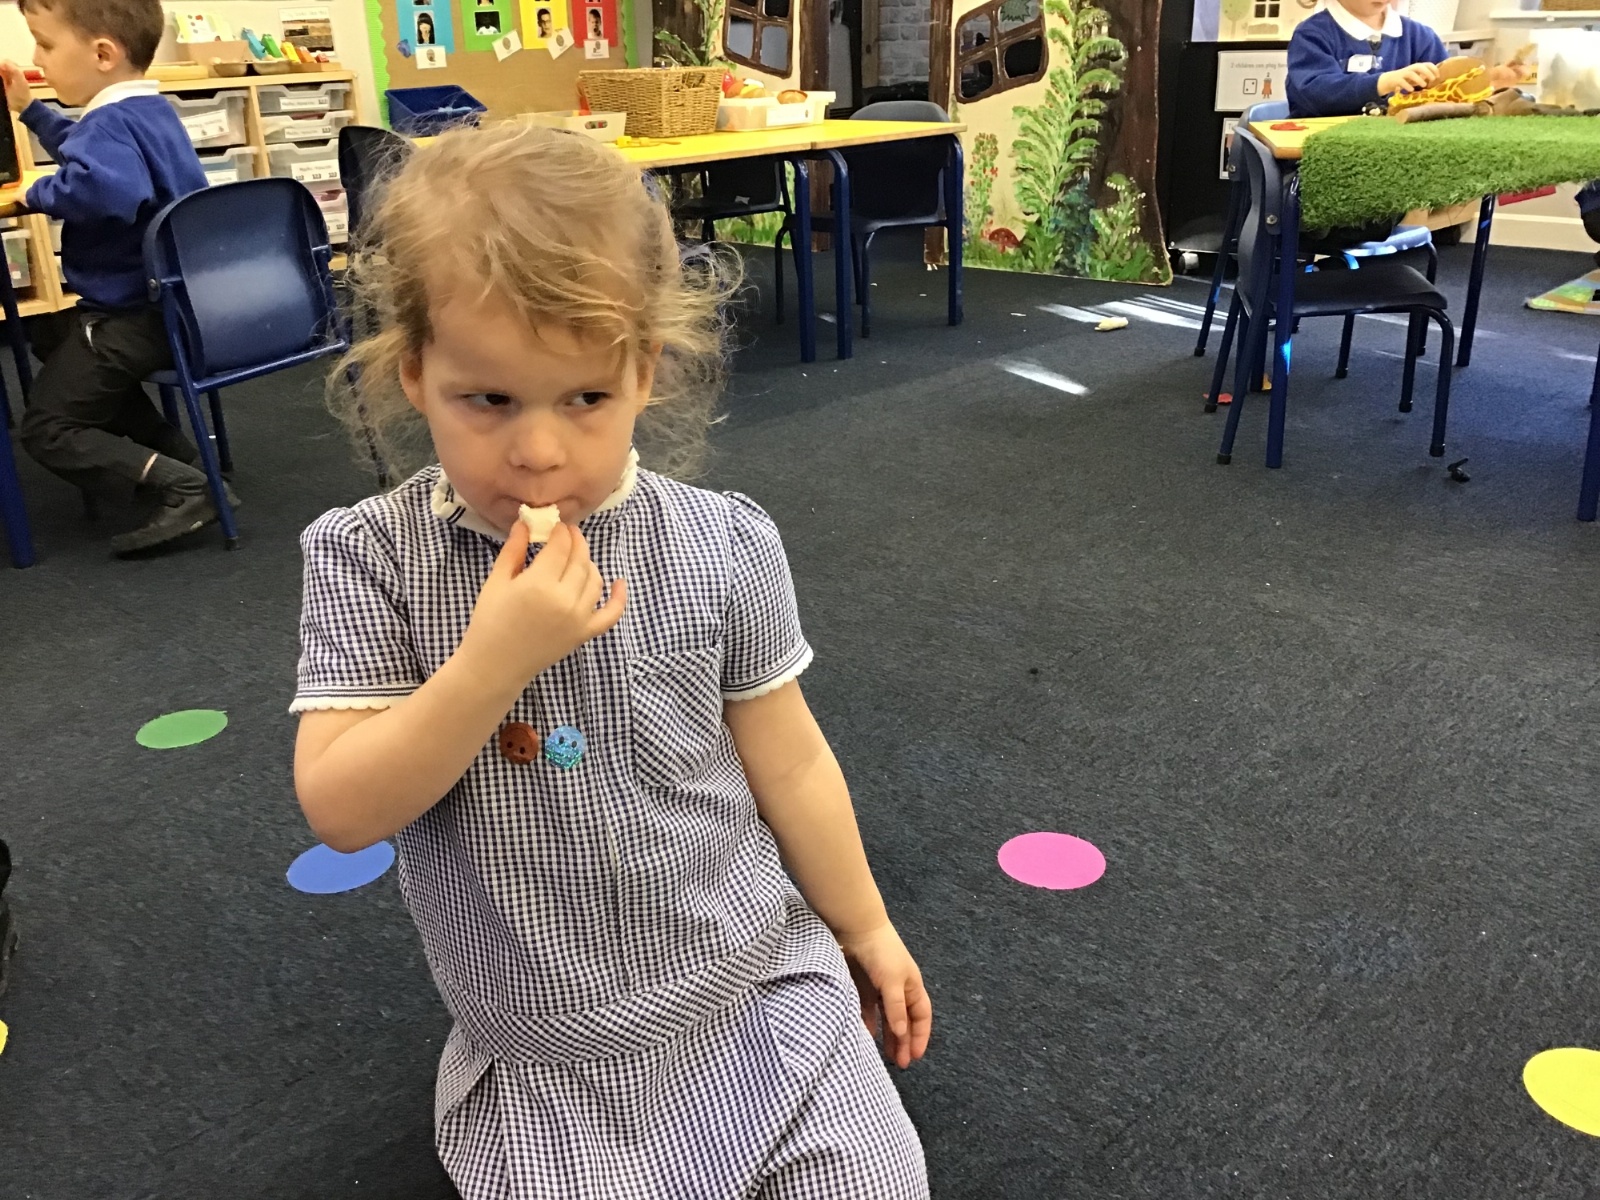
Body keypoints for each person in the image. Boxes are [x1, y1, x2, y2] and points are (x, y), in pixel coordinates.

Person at [291, 124, 932, 1199]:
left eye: (584, 398)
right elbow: (342, 810)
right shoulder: (370, 560)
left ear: (643, 375)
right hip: (549, 1048)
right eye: (488, 399)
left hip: (756, 988)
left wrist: (863, 924)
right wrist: (489, 663)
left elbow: (790, 762)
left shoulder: (722, 543)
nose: (538, 452)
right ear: (415, 375)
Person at [0, 0, 222, 556]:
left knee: (45, 430)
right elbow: (92, 155)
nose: (37, 59)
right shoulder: (145, 110)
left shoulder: (107, 124)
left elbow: (108, 188)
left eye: (45, 44)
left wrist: (34, 193)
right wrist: (31, 110)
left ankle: (181, 486)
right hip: (176, 305)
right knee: (50, 334)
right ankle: (185, 462)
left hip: (132, 317)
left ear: (103, 54)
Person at [1287, 0, 1524, 118]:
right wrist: (1383, 82)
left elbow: (1445, 90)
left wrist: (1488, 80)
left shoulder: (1419, 36)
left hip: (1399, 151)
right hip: (1324, 152)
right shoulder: (1312, 34)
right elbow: (1315, 92)